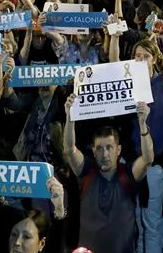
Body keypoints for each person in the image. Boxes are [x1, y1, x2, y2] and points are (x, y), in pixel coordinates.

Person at [63, 95, 153, 253]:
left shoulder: (128, 174)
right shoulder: (86, 171)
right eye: (99, 148)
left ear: (118, 150)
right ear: (93, 150)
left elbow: (147, 158)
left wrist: (143, 123)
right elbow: (69, 149)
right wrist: (70, 117)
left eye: (109, 147)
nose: (104, 154)